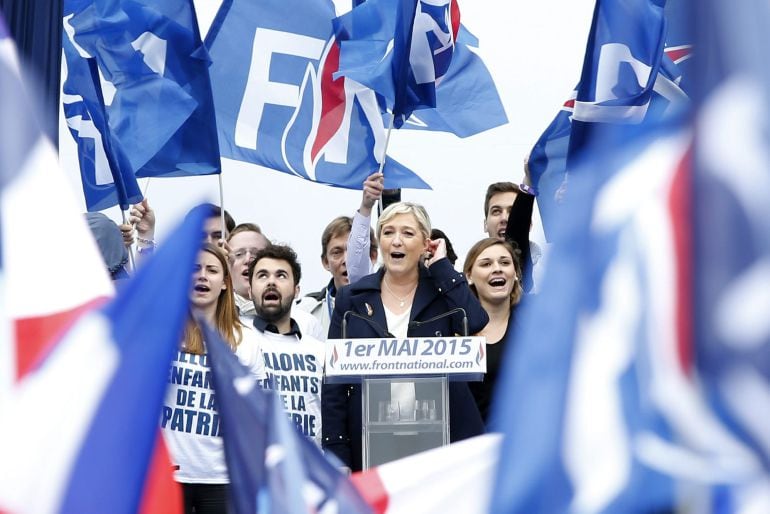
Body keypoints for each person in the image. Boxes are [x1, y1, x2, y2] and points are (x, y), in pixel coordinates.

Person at [322, 202, 489, 471]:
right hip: (370, 441)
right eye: (388, 233)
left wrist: (442, 267)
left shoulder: (443, 292)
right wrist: (337, 452)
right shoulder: (351, 299)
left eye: (408, 233)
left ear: (426, 244)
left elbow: (477, 321)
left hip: (443, 442)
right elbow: (333, 385)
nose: (396, 241)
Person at [161, 244, 265, 514]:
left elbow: (255, 412)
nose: (202, 276)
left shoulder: (247, 340)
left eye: (212, 270)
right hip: (168, 474)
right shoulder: (163, 332)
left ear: (224, 284)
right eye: (194, 269)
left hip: (223, 477)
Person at [246, 244, 326, 447]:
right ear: (249, 290)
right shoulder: (236, 341)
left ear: (297, 290)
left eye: (281, 275)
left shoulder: (320, 352)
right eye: (262, 275)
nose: (271, 281)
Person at [463, 237, 524, 424]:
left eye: (505, 263)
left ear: (515, 274)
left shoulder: (532, 326)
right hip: (472, 444)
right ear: (469, 276)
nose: (497, 268)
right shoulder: (457, 328)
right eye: (486, 264)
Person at [295, 215, 377, 337]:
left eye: (356, 251)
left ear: (373, 256)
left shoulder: (396, 305)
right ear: (326, 262)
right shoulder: (304, 312)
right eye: (337, 252)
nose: (347, 260)